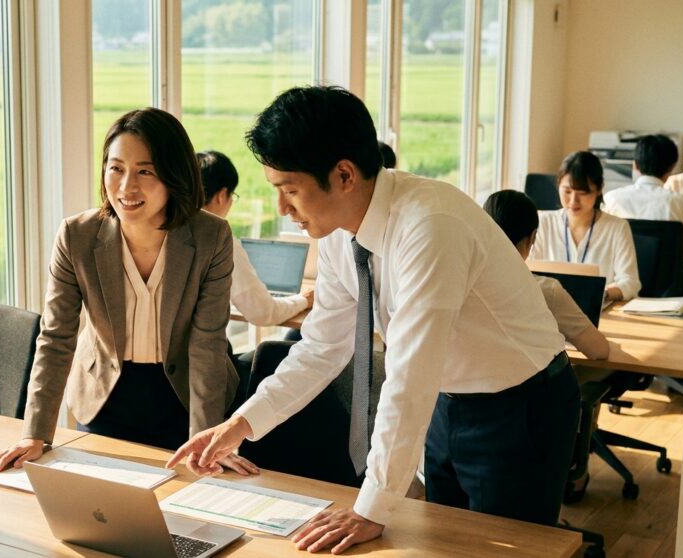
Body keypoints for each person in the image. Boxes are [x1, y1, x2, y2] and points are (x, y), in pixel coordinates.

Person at [167, 86, 579, 554]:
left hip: (522, 404)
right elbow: (322, 346)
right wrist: (240, 425)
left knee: (504, 550)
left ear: (343, 174)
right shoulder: (343, 234)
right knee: (442, 544)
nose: (283, 209)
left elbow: (408, 377)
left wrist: (370, 510)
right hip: (451, 399)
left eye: (290, 191)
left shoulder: (430, 228)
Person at [0, 108, 258, 476]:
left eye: (145, 171)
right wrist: (35, 434)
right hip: (105, 396)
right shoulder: (76, 236)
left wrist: (205, 439)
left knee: (186, 502)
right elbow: (56, 336)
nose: (127, 187)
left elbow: (207, 342)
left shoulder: (211, 237)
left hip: (186, 396)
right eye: (116, 168)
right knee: (103, 512)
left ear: (174, 174)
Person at [484, 190, 610, 360]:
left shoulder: (462, 285)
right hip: (532, 385)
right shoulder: (545, 291)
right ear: (532, 238)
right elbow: (599, 351)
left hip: (467, 385)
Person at [199, 150, 314, 326]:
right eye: (233, 196)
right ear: (222, 195)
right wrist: (304, 300)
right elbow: (263, 313)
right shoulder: (219, 241)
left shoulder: (167, 231)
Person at [530, 151, 641, 301]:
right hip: (550, 309)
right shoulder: (543, 222)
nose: (573, 201)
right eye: (567, 191)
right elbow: (528, 273)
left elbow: (630, 283)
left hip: (598, 310)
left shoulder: (617, 228)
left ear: (599, 188)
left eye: (582, 193)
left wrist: (602, 293)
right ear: (558, 185)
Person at [604, 134, 683, 259]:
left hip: (619, 278)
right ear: (672, 167)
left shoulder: (611, 200)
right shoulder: (681, 204)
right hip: (668, 278)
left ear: (635, 165)